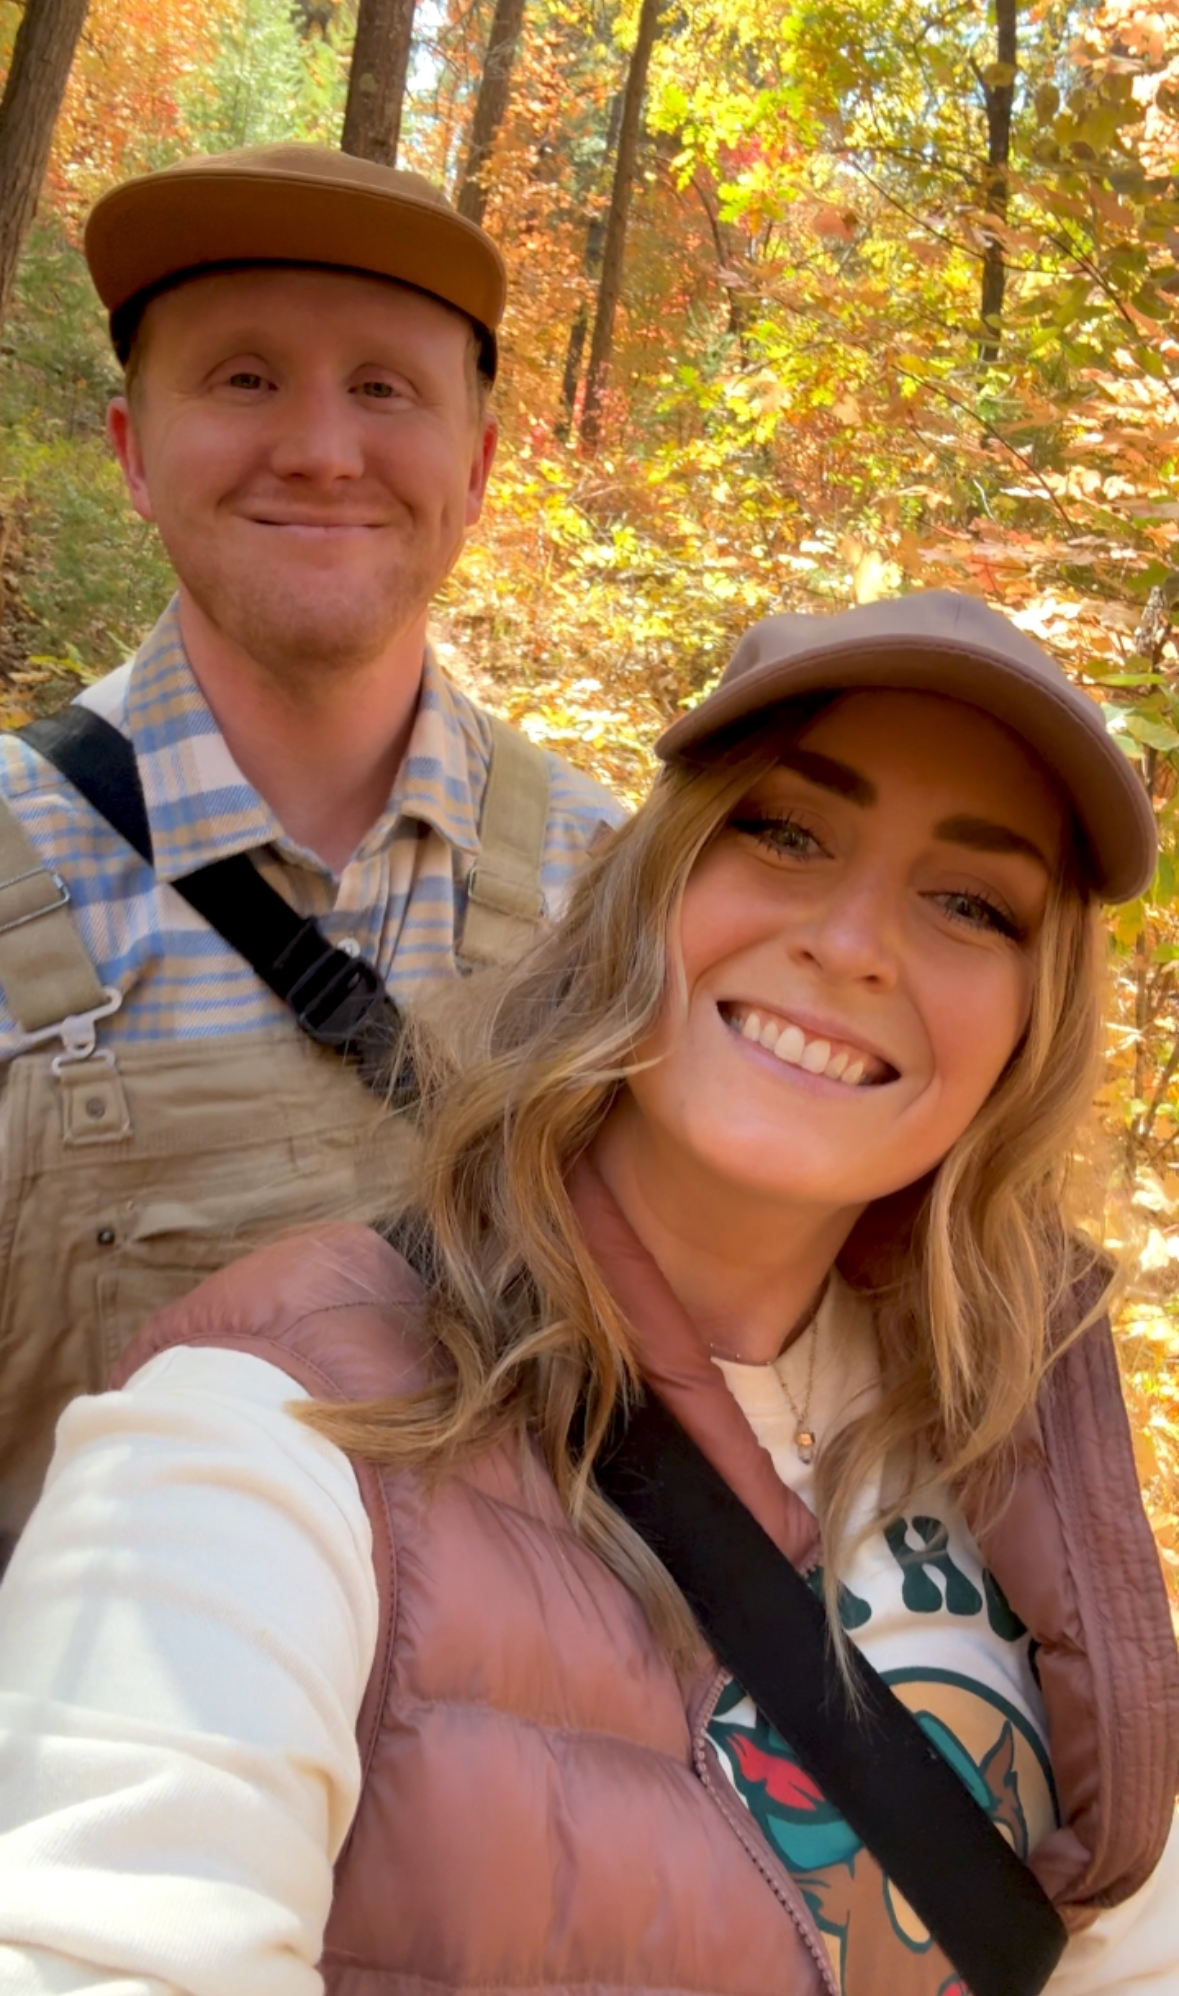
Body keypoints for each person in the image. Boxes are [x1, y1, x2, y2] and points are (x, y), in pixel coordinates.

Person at [0, 591, 1176, 1996]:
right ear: (645, 884)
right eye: (787, 831)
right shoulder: (261, 1432)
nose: (857, 941)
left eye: (970, 903)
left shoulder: (1021, 1442)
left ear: (1027, 1032)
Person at [0, 142, 620, 1548]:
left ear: (474, 465)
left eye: (384, 388)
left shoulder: (620, 894)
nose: (323, 448)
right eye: (243, 377)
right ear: (130, 451)